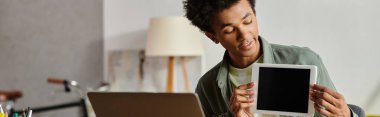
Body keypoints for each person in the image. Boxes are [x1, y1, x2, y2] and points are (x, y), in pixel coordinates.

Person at [183, 0, 358, 117]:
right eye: (229, 30)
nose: (244, 34)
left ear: (255, 14)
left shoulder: (303, 60)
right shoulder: (207, 86)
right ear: (213, 37)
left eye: (247, 21)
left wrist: (347, 115)